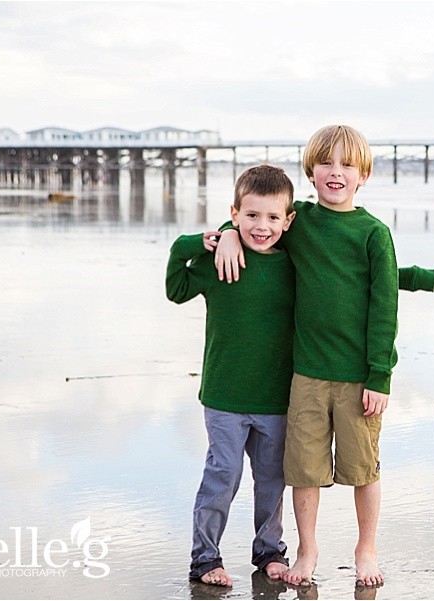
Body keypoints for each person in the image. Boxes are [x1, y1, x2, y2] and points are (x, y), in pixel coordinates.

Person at [215, 125, 427, 588]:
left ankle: (366, 549)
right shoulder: (301, 223)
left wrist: (380, 376)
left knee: (363, 468)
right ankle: (307, 550)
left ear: (363, 175)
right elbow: (260, 224)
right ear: (310, 172)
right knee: (304, 469)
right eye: (326, 163)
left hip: (358, 378)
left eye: (347, 165)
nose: (336, 172)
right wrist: (228, 233)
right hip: (307, 375)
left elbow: (383, 306)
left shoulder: (373, 233)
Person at [166, 164, 298, 587]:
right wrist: (197, 242)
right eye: (251, 215)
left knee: (272, 479)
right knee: (223, 475)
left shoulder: (294, 264)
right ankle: (205, 558)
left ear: (288, 220)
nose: (262, 226)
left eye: (273, 217)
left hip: (275, 398)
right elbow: (176, 289)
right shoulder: (221, 259)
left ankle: (269, 552)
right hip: (224, 395)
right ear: (235, 213)